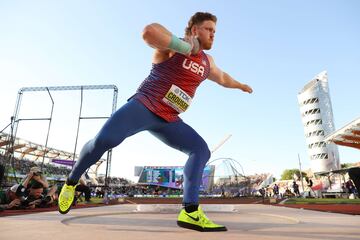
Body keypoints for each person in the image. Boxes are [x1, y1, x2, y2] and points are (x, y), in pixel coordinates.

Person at [58, 12, 253, 232]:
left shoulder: (208, 62)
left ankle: (190, 212)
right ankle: (71, 182)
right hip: (144, 106)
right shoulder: (175, 47)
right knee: (105, 140)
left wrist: (241, 85)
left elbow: (223, 78)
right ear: (195, 30)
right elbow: (149, 32)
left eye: (215, 31)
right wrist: (184, 46)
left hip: (169, 119)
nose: (213, 35)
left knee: (201, 150)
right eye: (209, 29)